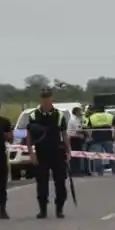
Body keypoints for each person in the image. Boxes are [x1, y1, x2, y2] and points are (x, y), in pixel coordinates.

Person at [27, 88, 71, 219]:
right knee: (41, 182)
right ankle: (43, 210)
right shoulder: (34, 115)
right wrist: (31, 153)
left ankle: (59, 209)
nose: (46, 99)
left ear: (52, 98)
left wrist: (68, 152)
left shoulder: (59, 115)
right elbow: (29, 136)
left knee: (60, 182)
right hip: (41, 152)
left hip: (57, 151)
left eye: (48, 97)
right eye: (44, 97)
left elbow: (64, 134)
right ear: (41, 99)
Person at [85, 104, 115, 176]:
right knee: (111, 155)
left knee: (98, 156)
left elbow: (88, 129)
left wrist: (89, 137)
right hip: (108, 137)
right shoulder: (110, 116)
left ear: (96, 109)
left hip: (96, 139)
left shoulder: (92, 117)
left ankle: (100, 173)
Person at [68, 107, 86, 176]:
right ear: (76, 112)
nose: (81, 113)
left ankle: (77, 170)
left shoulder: (78, 119)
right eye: (80, 111)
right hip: (74, 139)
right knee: (75, 156)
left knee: (78, 156)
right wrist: (85, 130)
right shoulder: (73, 120)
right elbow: (78, 130)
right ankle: (74, 171)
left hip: (77, 139)